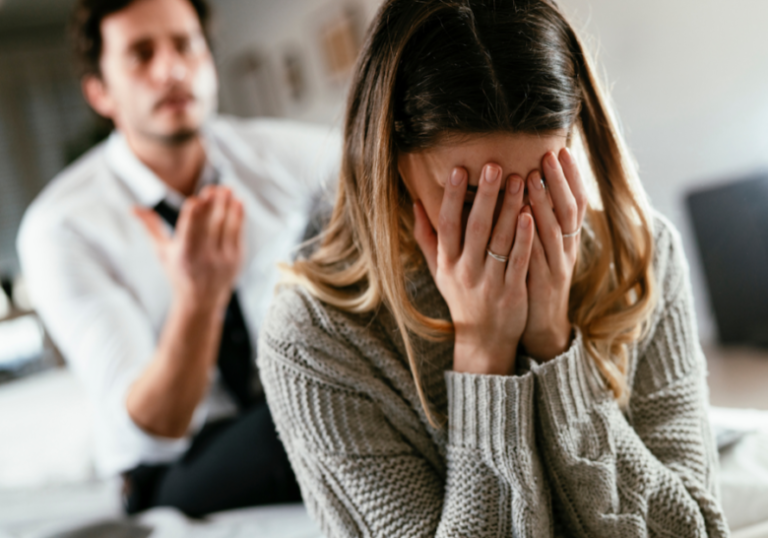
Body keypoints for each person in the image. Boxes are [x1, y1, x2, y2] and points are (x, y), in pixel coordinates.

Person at [257, 0, 731, 536]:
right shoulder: (313, 339)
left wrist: (555, 347)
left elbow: (693, 529)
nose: (517, 227)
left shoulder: (642, 254)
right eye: (475, 201)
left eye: (541, 187)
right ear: (387, 155)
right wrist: (484, 355)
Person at [17, 0, 339, 517]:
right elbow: (153, 431)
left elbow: (384, 177)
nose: (172, 69)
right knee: (326, 412)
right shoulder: (61, 228)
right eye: (141, 54)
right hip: (172, 461)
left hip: (286, 402)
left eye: (186, 45)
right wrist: (199, 300)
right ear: (100, 92)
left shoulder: (282, 157)